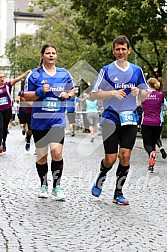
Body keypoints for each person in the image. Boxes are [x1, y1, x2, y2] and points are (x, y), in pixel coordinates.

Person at [90, 35, 148, 205]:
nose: (121, 52)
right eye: (118, 49)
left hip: (129, 117)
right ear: (113, 51)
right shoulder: (106, 70)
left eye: (124, 49)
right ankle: (102, 174)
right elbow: (94, 94)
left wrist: (139, 92)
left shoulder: (137, 71)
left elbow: (146, 93)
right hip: (110, 117)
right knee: (111, 158)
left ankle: (118, 192)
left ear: (129, 50)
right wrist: (112, 93)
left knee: (125, 156)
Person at [24, 44, 75, 200]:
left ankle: (57, 186)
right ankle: (44, 184)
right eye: (48, 53)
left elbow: (73, 90)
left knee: (57, 152)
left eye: (53, 53)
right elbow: (26, 96)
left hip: (57, 120)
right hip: (40, 121)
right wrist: (40, 91)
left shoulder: (64, 73)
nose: (51, 55)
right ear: (42, 55)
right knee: (41, 157)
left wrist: (68, 95)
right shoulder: (34, 75)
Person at [0, 70, 30, 153]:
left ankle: (4, 142)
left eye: (3, 77)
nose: (2, 79)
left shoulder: (7, 85)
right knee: (0, 127)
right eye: (0, 77)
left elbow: (17, 79)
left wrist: (25, 74)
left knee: (5, 128)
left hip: (7, 109)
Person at [141, 78, 165, 172]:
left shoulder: (144, 94)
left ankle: (151, 154)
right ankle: (151, 166)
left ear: (148, 84)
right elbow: (162, 105)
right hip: (157, 122)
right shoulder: (161, 95)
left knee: (147, 144)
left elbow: (142, 106)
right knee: (154, 142)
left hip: (146, 121)